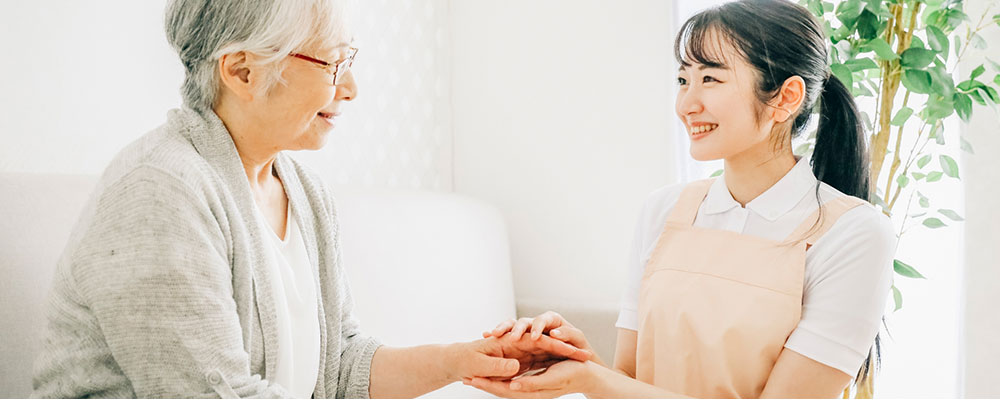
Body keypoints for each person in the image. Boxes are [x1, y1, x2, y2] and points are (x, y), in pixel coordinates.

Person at [30, 0, 588, 398]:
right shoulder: (160, 192)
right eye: (333, 64)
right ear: (242, 71)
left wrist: (462, 361)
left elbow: (338, 367)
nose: (351, 88)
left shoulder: (303, 191)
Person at [473, 0, 895, 397]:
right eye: (683, 80)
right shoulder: (664, 210)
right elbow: (629, 384)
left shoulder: (852, 233)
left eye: (710, 79)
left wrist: (593, 380)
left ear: (785, 98)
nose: (686, 104)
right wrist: (579, 361)